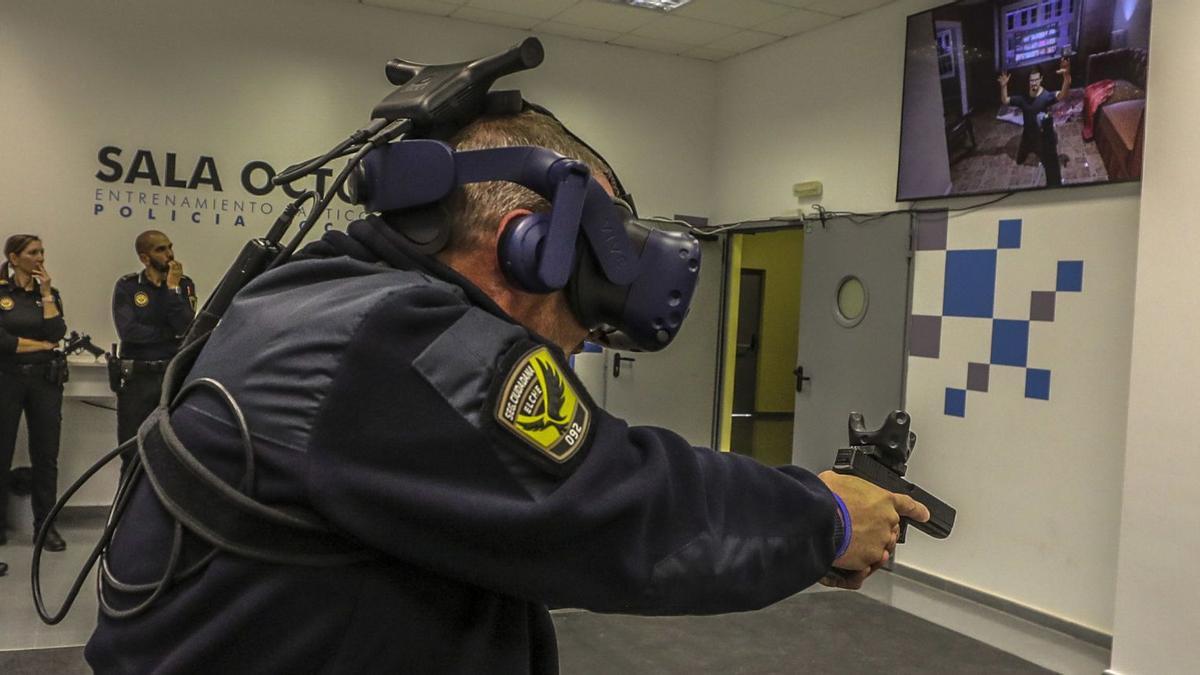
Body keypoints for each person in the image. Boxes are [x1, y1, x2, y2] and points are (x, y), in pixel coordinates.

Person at [86, 110, 928, 672]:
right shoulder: (402, 342)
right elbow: (617, 503)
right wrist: (829, 516)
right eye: (596, 279)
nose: (593, 330)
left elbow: (507, 527)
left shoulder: (309, 298)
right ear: (531, 244)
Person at [0, 235, 67, 552]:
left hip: (45, 380)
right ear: (14, 258)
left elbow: (57, 333)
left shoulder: (49, 294)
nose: (40, 257)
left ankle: (46, 526)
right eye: (33, 252)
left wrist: (45, 294)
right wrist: (39, 345)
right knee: (2, 452)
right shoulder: (1, 293)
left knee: (46, 455)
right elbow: (3, 342)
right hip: (7, 378)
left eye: (42, 251)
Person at [111, 231, 195, 466]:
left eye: (169, 247)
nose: (169, 254)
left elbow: (186, 326)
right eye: (161, 249)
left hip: (171, 376)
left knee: (172, 450)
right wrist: (169, 335)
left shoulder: (183, 285)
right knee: (132, 452)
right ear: (145, 258)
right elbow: (129, 332)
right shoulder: (127, 286)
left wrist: (171, 290)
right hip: (137, 379)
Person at [998, 57, 1072, 186]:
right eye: (1031, 80)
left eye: (1036, 80)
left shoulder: (1046, 96)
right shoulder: (1023, 98)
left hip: (1040, 136)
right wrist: (1004, 86)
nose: (1034, 83)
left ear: (1041, 79)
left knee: (1048, 161)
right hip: (1027, 134)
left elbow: (1062, 95)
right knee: (1019, 160)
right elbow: (1005, 100)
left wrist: (1066, 78)